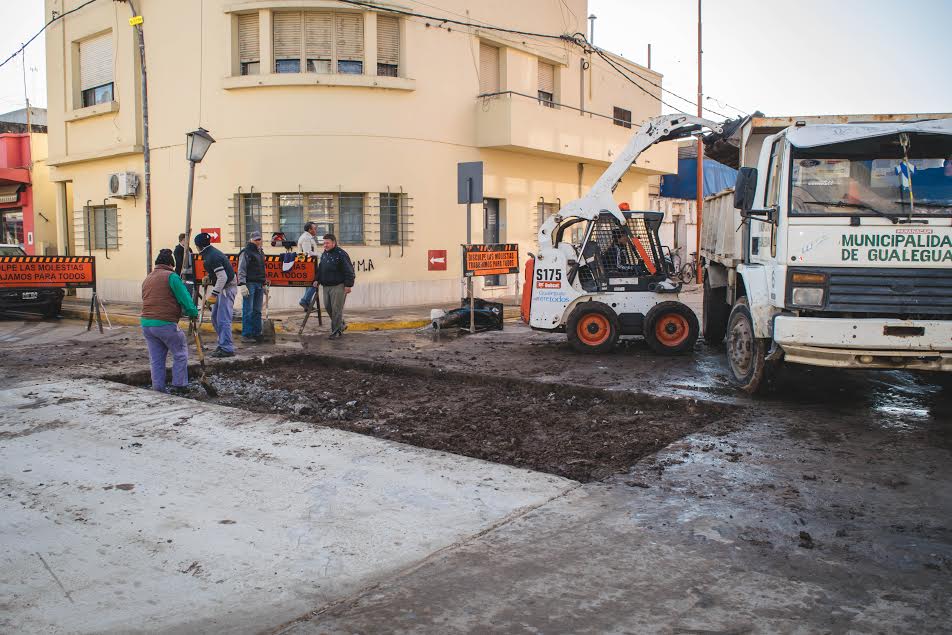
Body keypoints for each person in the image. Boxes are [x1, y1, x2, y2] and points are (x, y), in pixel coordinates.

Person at [140, 249, 198, 394]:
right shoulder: (171, 276)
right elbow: (184, 297)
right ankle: (179, 385)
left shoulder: (148, 278)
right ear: (171, 264)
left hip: (147, 324)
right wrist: (192, 312)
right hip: (165, 323)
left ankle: (158, 388)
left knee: (156, 359)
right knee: (180, 353)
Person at [195, 231, 238, 358]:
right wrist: (209, 277)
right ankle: (222, 344)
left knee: (223, 319)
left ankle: (227, 348)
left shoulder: (211, 256)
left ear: (198, 246)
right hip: (224, 287)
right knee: (215, 317)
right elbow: (219, 273)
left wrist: (213, 294)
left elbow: (223, 277)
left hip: (226, 288)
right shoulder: (211, 253)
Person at [313, 233, 355, 339]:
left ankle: (336, 332)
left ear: (334, 243)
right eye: (324, 243)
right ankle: (341, 325)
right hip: (326, 286)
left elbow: (349, 270)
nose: (325, 245)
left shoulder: (341, 254)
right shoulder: (324, 254)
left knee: (336, 309)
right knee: (328, 307)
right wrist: (317, 279)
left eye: (327, 243)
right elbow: (321, 268)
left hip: (338, 286)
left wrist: (348, 285)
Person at [237, 231, 266, 343]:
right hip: (249, 284)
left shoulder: (260, 252)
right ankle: (247, 334)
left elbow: (262, 268)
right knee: (248, 310)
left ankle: (256, 332)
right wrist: (242, 284)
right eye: (256, 239)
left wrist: (263, 283)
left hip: (258, 283)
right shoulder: (246, 252)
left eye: (259, 239)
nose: (258, 241)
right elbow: (241, 269)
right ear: (251, 240)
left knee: (257, 310)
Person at [297, 222, 319, 309]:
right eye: (314, 228)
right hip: (308, 264)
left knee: (309, 284)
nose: (316, 230)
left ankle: (307, 305)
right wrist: (321, 255)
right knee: (314, 283)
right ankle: (304, 301)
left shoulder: (307, 237)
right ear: (310, 230)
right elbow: (308, 253)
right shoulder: (306, 238)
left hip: (307, 263)